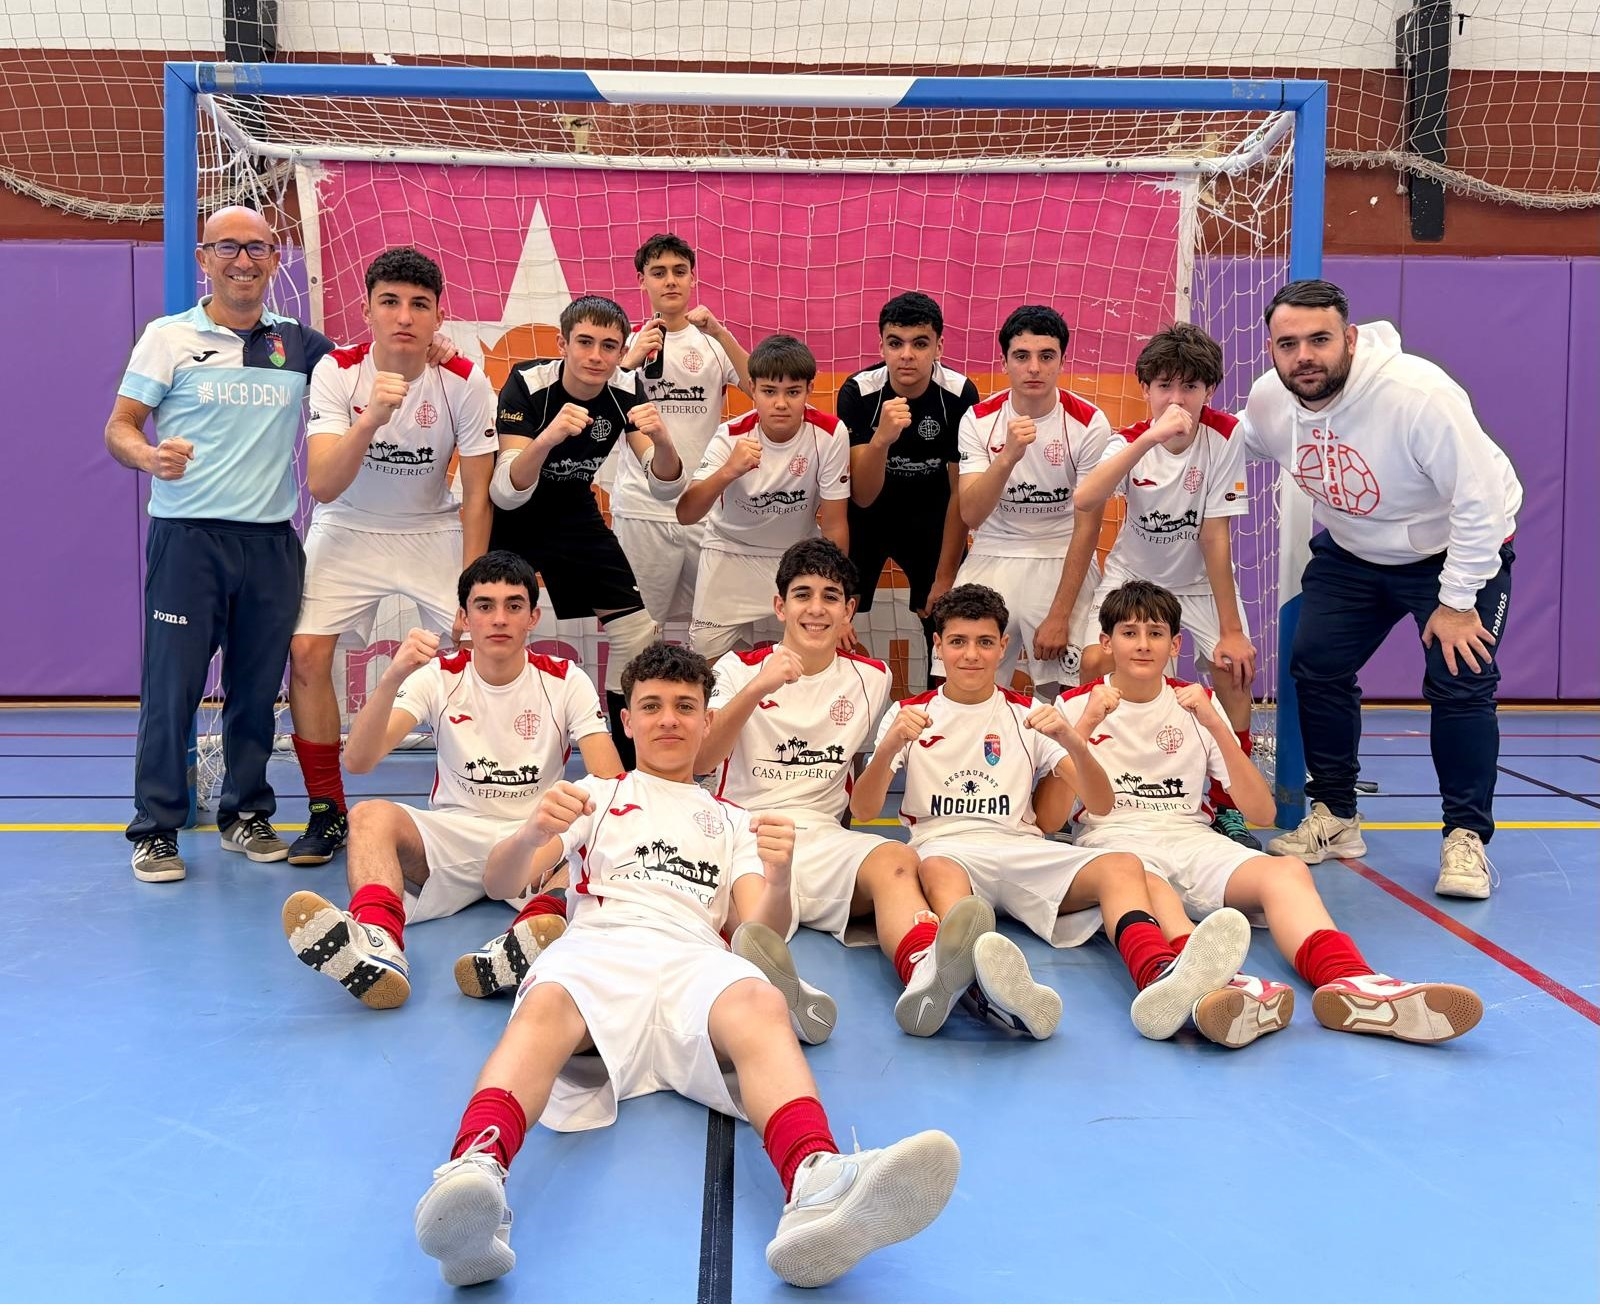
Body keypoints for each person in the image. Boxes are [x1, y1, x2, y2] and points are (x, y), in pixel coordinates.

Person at [412, 642, 960, 1289]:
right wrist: (532, 833)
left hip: (693, 959)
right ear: (627, 721)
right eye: (651, 707)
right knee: (547, 1000)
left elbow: (761, 928)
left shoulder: (733, 820)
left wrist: (780, 875)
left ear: (707, 720)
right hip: (603, 947)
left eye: (684, 706)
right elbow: (501, 879)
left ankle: (815, 1180)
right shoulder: (596, 795)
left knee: (760, 1000)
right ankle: (474, 1175)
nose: (668, 719)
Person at [1061, 580, 1484, 1046]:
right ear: (1106, 642)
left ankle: (1353, 982)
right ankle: (1213, 988)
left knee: (1286, 871)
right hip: (1117, 843)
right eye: (1129, 633)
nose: (1143, 644)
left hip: (1191, 838)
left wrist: (1216, 725)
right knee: (1147, 883)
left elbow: (1261, 812)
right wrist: (1084, 725)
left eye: (1156, 633)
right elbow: (1049, 815)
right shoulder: (1074, 705)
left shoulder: (1198, 704)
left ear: (1176, 645)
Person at [850, 583, 1253, 1042]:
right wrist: (889, 748)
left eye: (985, 642)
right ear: (938, 646)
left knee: (1123, 866)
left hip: (1022, 847)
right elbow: (863, 810)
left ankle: (1158, 975)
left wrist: (1073, 739)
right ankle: (983, 990)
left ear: (1004, 646)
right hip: (948, 850)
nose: (972, 655)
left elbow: (1100, 803)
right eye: (958, 642)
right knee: (941, 873)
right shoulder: (907, 714)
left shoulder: (1030, 714)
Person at [696, 538, 1042, 1039]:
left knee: (896, 860)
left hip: (823, 835)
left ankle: (925, 970)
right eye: (802, 594)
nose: (816, 608)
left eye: (831, 596)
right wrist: (759, 688)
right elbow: (703, 760)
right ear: (779, 606)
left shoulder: (872, 678)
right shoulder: (735, 669)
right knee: (755, 916)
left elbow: (858, 775)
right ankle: (781, 994)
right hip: (749, 830)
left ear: (849, 610)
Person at [1244, 279, 1522, 900]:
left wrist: (1456, 601)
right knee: (1316, 662)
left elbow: (1480, 504)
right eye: (1288, 344)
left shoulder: (1417, 395)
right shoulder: (1270, 400)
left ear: (1350, 338)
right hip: (1354, 552)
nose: (1304, 357)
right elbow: (1238, 445)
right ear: (1271, 349)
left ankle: (1466, 837)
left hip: (1454, 549)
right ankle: (1336, 816)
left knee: (1461, 678)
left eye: (1319, 340)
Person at [105, 206, 337, 883]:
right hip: (189, 541)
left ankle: (246, 812)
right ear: (204, 258)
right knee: (171, 689)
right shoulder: (168, 337)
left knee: (257, 691)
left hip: (271, 545)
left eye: (257, 248)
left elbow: (370, 367)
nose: (243, 260)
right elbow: (120, 427)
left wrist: (430, 353)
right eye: (228, 247)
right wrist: (150, 458)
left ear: (275, 259)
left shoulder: (299, 344)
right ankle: (155, 829)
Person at [279, 552, 621, 1009]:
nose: (499, 619)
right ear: (463, 617)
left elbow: (609, 779)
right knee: (369, 815)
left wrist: (572, 822)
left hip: (532, 842)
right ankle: (378, 942)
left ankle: (525, 941)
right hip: (453, 836)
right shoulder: (439, 676)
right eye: (484, 605)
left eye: (514, 605)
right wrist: (393, 676)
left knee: (594, 828)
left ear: (533, 618)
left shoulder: (564, 679)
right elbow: (358, 761)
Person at [286, 246, 499, 865]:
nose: (404, 316)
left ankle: (481, 803)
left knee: (479, 648)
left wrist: (471, 590)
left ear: (438, 316)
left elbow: (478, 495)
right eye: (390, 302)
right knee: (306, 652)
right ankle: (327, 810)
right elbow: (324, 485)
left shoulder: (464, 378)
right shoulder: (337, 371)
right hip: (348, 525)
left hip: (431, 529)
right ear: (368, 310)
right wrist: (371, 419)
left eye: (419, 305)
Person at [1073, 322, 1262, 849]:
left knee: (1234, 670)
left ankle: (1226, 807)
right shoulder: (1128, 440)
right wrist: (1151, 438)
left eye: (1190, 387)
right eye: (1164, 387)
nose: (1176, 400)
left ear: (1209, 391)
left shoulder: (1226, 435)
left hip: (1198, 582)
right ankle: (1086, 794)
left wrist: (1230, 630)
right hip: (1132, 577)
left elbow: (1214, 534)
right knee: (1094, 663)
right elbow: (1085, 499)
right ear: (1147, 389)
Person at [487, 294, 682, 770]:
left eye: (609, 346)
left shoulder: (625, 391)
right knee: (495, 628)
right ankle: (494, 753)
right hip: (512, 520)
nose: (596, 356)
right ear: (563, 344)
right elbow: (505, 492)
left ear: (621, 352)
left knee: (637, 632)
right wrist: (549, 436)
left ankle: (628, 764)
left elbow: (665, 486)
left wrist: (662, 440)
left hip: (574, 511)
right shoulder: (528, 383)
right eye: (585, 343)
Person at [954, 305, 1112, 700]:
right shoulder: (977, 419)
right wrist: (1007, 457)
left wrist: (1059, 613)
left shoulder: (1090, 422)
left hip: (1061, 551)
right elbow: (970, 514)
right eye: (1022, 356)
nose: (1034, 368)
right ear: (1005, 362)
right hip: (993, 550)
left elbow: (1088, 528)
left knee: (1067, 693)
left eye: (1046, 356)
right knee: (959, 678)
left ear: (1062, 360)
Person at [675, 334, 850, 662]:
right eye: (769, 391)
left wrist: (837, 597)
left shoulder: (830, 433)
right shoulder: (730, 436)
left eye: (793, 392)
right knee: (706, 663)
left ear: (809, 390)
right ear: (752, 388)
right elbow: (686, 514)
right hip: (729, 552)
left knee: (813, 656)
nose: (781, 403)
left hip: (797, 557)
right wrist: (729, 471)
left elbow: (835, 525)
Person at [837, 292, 979, 684]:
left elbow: (960, 494)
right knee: (833, 617)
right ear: (881, 346)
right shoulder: (859, 392)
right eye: (895, 343)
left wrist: (945, 577)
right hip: (867, 519)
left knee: (948, 618)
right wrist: (881, 439)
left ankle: (944, 710)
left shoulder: (960, 394)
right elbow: (862, 495)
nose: (906, 355)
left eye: (920, 343)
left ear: (939, 347)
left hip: (932, 518)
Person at [611, 233, 750, 629]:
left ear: (693, 278)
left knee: (711, 628)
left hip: (703, 506)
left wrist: (722, 333)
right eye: (659, 273)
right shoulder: (624, 346)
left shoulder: (712, 341)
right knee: (640, 628)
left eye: (679, 271)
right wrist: (628, 363)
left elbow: (759, 389)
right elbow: (598, 415)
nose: (670, 281)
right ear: (642, 281)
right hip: (642, 510)